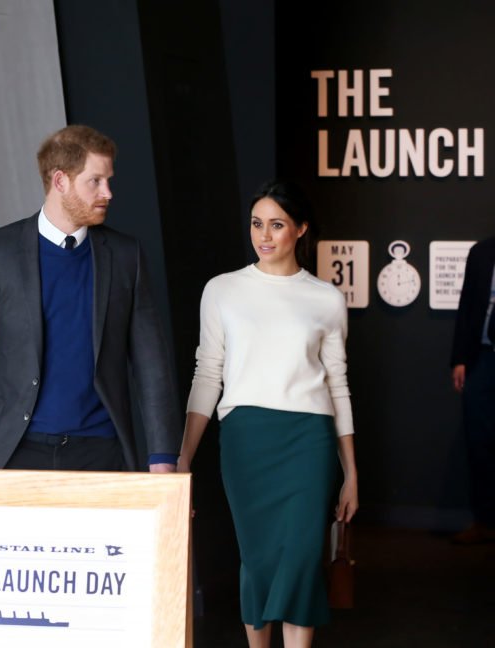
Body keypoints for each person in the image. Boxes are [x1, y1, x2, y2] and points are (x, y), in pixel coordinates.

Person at [178, 179, 358, 648]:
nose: (264, 235)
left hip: (309, 442)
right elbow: (207, 374)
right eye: (257, 224)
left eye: (276, 225)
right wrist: (183, 457)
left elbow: (338, 384)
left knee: (301, 560)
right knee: (257, 560)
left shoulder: (326, 298)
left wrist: (351, 472)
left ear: (300, 230)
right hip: (246, 439)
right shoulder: (222, 290)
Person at [0, 124, 181, 473]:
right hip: (14, 452)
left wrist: (163, 456)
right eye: (95, 181)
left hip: (102, 451)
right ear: (60, 181)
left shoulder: (126, 255)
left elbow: (151, 363)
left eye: (108, 180)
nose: (108, 192)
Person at [450, 236, 495, 544]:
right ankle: (484, 522)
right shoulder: (481, 252)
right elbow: (467, 306)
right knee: (479, 441)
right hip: (482, 358)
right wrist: (459, 359)